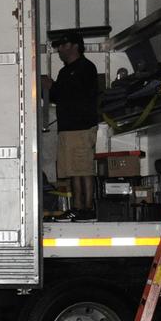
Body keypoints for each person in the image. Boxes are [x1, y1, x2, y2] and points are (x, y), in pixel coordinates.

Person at [47, 31, 101, 220]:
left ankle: (88, 208)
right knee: (73, 170)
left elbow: (77, 94)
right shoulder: (64, 72)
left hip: (82, 127)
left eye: (64, 45)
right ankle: (77, 207)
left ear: (76, 46)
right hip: (67, 128)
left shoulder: (86, 68)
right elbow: (58, 96)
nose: (60, 50)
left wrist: (53, 86)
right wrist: (50, 88)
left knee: (83, 168)